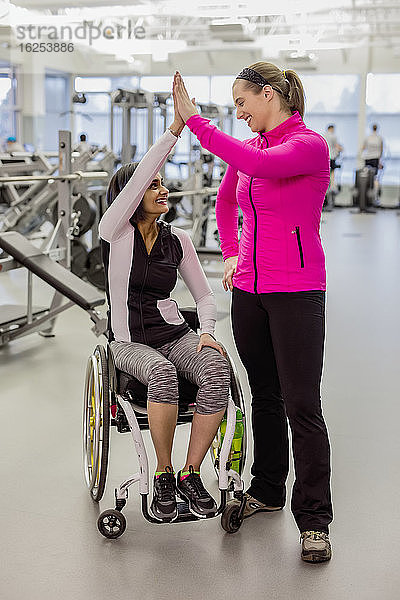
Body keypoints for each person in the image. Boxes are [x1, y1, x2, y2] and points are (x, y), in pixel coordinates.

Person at [174, 64, 333, 562]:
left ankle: (314, 519)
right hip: (250, 291)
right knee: (263, 393)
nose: (239, 113)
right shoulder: (255, 151)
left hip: (296, 289)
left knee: (301, 403)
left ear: (270, 95)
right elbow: (226, 203)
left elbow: (258, 167)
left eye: (243, 103)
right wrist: (233, 252)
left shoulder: (306, 145)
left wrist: (198, 123)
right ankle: (267, 490)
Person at [98, 95, 230, 523]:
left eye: (161, 183)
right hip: (129, 343)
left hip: (174, 335)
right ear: (132, 195)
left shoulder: (180, 240)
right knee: (161, 373)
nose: (162, 189)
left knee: (216, 369)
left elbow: (205, 296)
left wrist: (207, 331)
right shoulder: (114, 233)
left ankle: (191, 472)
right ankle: (163, 473)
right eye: (152, 185)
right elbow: (136, 185)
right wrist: (175, 130)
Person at [361, 123, 383, 199]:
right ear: (377, 129)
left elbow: (363, 148)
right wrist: (380, 162)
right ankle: (375, 196)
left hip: (367, 158)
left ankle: (365, 195)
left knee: (366, 176)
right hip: (375, 159)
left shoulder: (368, 138)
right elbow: (381, 151)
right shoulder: (379, 138)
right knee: (375, 177)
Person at [323, 124, 343, 191]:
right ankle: (332, 186)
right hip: (332, 156)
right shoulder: (333, 136)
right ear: (331, 129)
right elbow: (337, 146)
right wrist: (341, 149)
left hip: (325, 157)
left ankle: (325, 186)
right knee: (332, 171)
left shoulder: (324, 135)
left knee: (326, 172)